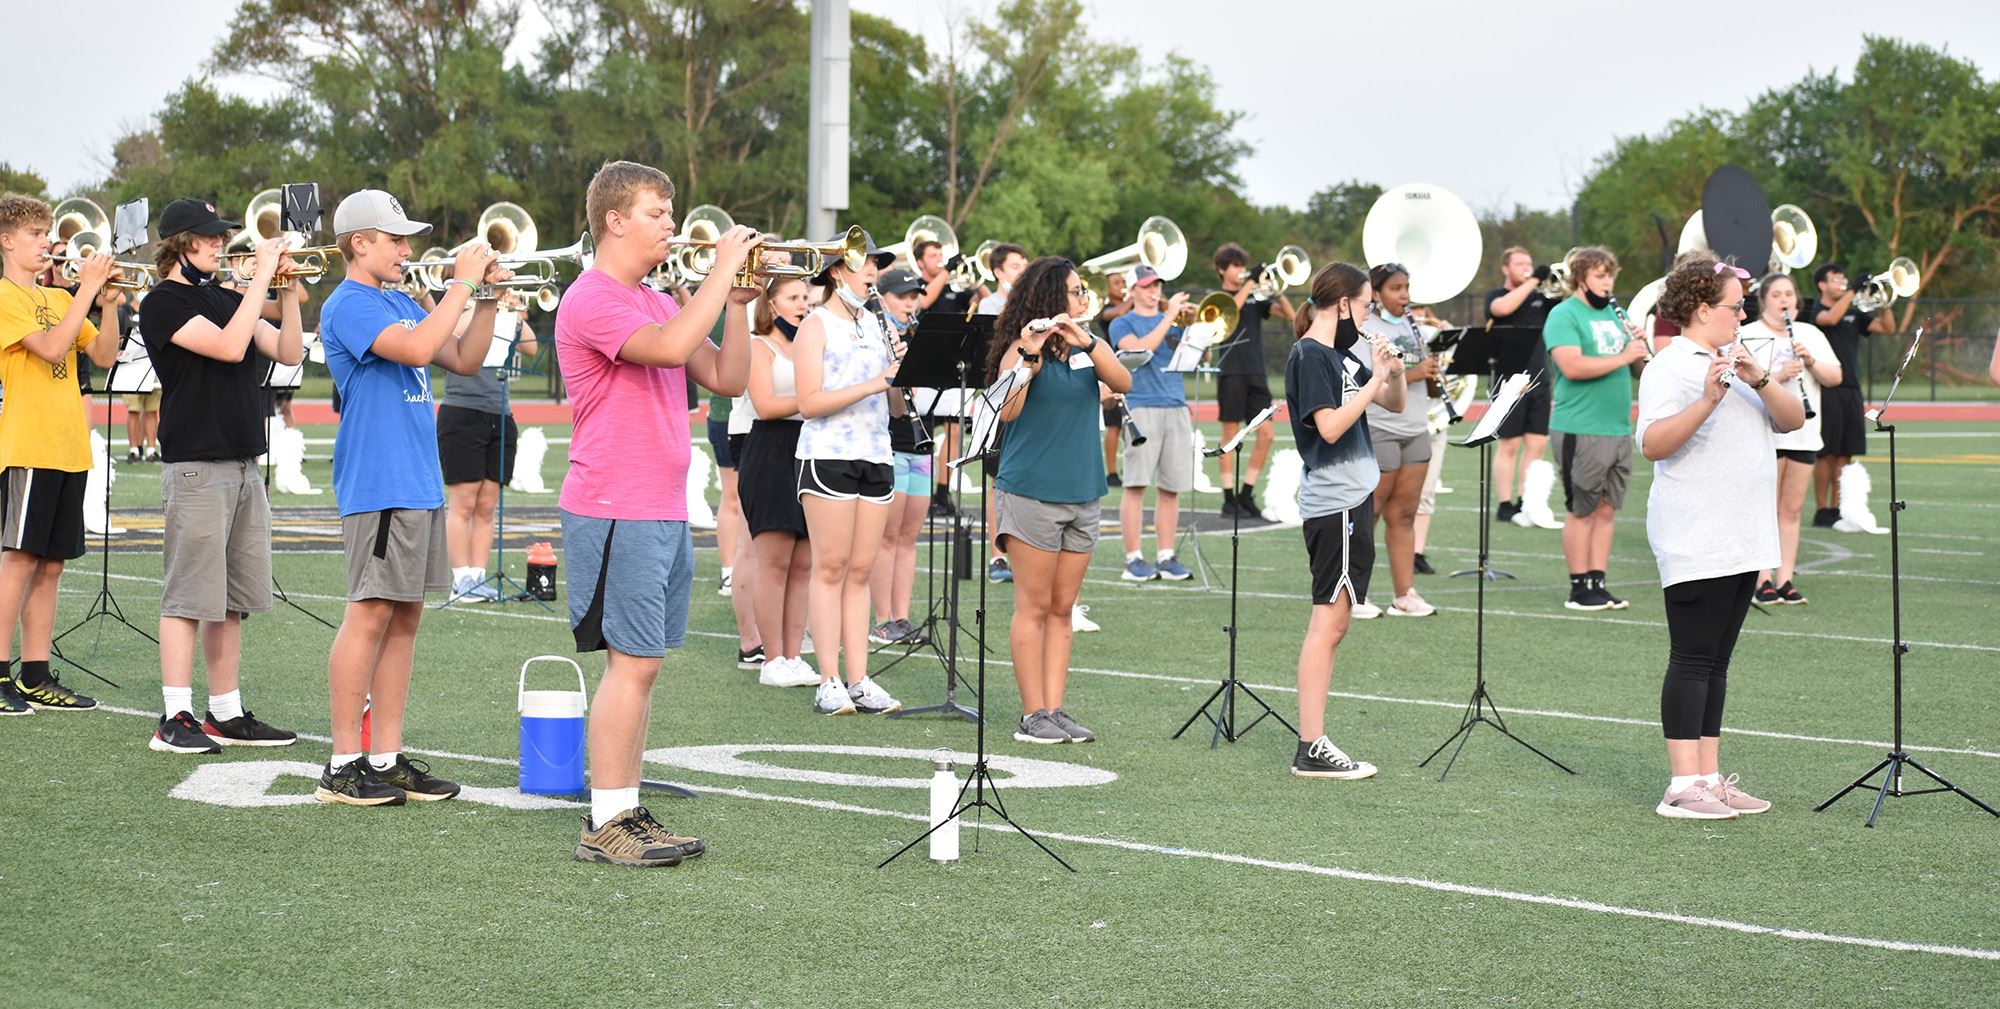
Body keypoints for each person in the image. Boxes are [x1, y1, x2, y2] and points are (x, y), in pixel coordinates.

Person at [556, 161, 760, 865]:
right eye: (656, 213)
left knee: (643, 664)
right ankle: (605, 817)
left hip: (660, 506)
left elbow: (728, 378)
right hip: (615, 504)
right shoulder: (592, 298)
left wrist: (737, 304)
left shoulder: (655, 299)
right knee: (631, 664)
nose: (671, 226)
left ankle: (626, 805)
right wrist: (718, 276)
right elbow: (673, 350)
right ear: (614, 221)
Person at [317, 189, 503, 807]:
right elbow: (420, 349)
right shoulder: (349, 303)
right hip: (379, 479)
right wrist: (460, 286)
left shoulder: (400, 297)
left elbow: (465, 360)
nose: (407, 248)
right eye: (395, 239)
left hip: (418, 478)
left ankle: (386, 756)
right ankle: (344, 762)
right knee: (369, 612)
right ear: (359, 243)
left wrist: (488, 301)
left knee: (405, 617)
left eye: (406, 239)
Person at [1637, 255, 1803, 819]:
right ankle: (1681, 786)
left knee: (1717, 662)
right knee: (1691, 657)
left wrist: (1758, 378)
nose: (1744, 315)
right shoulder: (1671, 365)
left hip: (1742, 531)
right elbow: (1654, 443)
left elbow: (1793, 420)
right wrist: (1708, 399)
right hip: (1695, 531)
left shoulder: (1738, 357)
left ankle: (1708, 776)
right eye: (1736, 307)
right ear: (1704, 310)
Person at [138, 198, 306, 753]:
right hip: (196, 463)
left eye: (221, 236)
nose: (220, 244)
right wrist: (259, 276)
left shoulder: (224, 294)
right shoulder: (162, 302)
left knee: (231, 599)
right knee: (189, 595)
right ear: (178, 243)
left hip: (242, 461)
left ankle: (225, 712)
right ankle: (174, 716)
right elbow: (231, 346)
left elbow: (286, 349)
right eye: (209, 237)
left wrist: (285, 288)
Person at [985, 257, 1132, 744]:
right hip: (1031, 491)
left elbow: (1124, 382)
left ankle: (1054, 706)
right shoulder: (1019, 351)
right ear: (1051, 298)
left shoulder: (1085, 350)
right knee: (1033, 606)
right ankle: (1032, 715)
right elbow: (1007, 412)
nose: (1081, 298)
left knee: (1063, 608)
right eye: (1074, 291)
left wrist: (1086, 337)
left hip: (1083, 490)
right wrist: (1028, 354)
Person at [0, 194, 123, 716]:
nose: (48, 243)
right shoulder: (6, 296)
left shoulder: (57, 298)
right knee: (19, 561)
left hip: (69, 447)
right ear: (7, 241)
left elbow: (103, 354)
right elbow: (51, 349)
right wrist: (87, 290)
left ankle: (35, 673)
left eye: (48, 233)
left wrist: (109, 304)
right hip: (28, 444)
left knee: (50, 567)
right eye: (35, 235)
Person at [1284, 262, 1403, 779]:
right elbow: (1330, 428)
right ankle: (1311, 744)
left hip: (1351, 499)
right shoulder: (1311, 355)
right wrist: (1372, 379)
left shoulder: (1339, 353)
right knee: (1327, 623)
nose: (1371, 313)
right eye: (1368, 303)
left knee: (1334, 623)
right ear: (1343, 305)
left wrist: (1389, 372)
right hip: (1335, 502)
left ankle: (1314, 740)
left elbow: (1393, 405)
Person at [794, 234, 904, 716]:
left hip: (877, 452)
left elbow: (896, 406)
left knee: (861, 571)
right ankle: (829, 679)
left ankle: (859, 678)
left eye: (877, 265)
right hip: (828, 454)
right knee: (831, 567)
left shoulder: (881, 325)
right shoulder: (815, 325)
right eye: (865, 264)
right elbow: (809, 403)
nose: (873, 272)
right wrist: (875, 382)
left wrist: (903, 372)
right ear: (838, 271)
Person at [1544, 246, 1649, 612]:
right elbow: (1571, 367)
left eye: (1610, 275)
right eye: (1600, 275)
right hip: (1580, 426)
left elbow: (1637, 369)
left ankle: (1597, 581)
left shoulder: (1614, 316)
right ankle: (1578, 587)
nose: (1607, 283)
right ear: (1580, 277)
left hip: (1617, 427)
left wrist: (1639, 348)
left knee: (1607, 509)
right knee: (1582, 509)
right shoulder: (1564, 315)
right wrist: (1623, 355)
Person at [1741, 273, 1840, 605]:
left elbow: (1835, 377)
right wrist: (1776, 376)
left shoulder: (1809, 334)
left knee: (1792, 509)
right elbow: (1739, 382)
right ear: (1764, 300)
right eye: (1777, 294)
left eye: (1790, 295)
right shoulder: (1749, 334)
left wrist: (1810, 361)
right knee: (1763, 508)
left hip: (1805, 434)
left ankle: (1785, 578)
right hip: (1766, 430)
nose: (1785, 300)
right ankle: (1761, 580)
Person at [741, 277, 820, 689]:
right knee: (774, 563)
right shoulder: (759, 345)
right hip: (771, 452)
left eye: (805, 298)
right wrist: (814, 400)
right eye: (793, 298)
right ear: (770, 304)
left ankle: (793, 655)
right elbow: (767, 405)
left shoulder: (807, 344)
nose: (802, 305)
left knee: (804, 564)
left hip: (809, 450)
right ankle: (771, 658)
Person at [438, 288, 538, 603]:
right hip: (462, 413)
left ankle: (479, 576)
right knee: (463, 503)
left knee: (486, 505)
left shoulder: (502, 315)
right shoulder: (457, 306)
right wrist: (487, 305)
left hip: (500, 413)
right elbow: (452, 331)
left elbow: (532, 347)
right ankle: (460, 578)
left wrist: (511, 312)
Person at [1360, 263, 1438, 617]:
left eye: (1406, 287)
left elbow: (1423, 379)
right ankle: (1354, 593)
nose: (1404, 295)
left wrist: (1433, 374)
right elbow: (1368, 379)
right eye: (1395, 288)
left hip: (1416, 425)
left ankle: (1405, 594)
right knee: (1369, 512)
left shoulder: (1413, 325)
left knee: (1404, 513)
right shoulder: (1365, 328)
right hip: (1381, 425)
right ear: (1376, 293)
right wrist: (1415, 372)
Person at [1109, 266, 1194, 582]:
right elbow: (1139, 350)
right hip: (1142, 405)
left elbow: (1200, 355)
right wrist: (1170, 316)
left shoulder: (1170, 320)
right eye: (1146, 286)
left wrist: (1198, 330)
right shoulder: (1122, 322)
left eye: (1157, 285)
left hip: (1176, 404)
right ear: (1132, 290)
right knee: (1136, 484)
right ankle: (1133, 558)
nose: (1153, 291)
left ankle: (1166, 555)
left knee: (1171, 487)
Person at [868, 268, 933, 646]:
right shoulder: (880, 333)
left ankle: (902, 615)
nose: (911, 303)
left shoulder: (919, 334)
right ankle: (882, 618)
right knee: (887, 536)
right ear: (885, 297)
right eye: (904, 296)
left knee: (909, 536)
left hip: (920, 443)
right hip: (890, 442)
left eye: (915, 296)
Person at [1802, 263, 1894, 527]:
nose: (1841, 282)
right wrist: (1853, 289)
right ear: (1822, 285)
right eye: (1835, 279)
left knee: (1846, 453)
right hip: (1827, 388)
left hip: (1852, 389)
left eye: (1844, 278)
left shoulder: (1854, 313)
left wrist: (1882, 300)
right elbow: (1830, 319)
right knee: (1827, 453)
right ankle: (1822, 510)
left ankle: (1840, 508)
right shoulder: (1817, 310)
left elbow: (1886, 327)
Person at [1211, 243, 1294, 519]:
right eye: (1234, 265)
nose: (1239, 270)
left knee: (1267, 434)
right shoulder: (1220, 297)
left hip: (1256, 373)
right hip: (1231, 371)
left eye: (1241, 265)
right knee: (1230, 436)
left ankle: (1246, 493)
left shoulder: (1255, 297)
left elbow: (1292, 317)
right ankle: (1227, 498)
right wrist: (1248, 283)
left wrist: (1276, 290)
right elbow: (1231, 310)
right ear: (1222, 269)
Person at [1483, 247, 1559, 528]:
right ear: (1506, 268)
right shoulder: (1497, 296)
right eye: (1520, 264)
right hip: (1508, 380)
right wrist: (1533, 280)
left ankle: (1526, 501)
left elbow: (1563, 307)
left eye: (1529, 263)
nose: (1526, 267)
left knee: (1536, 443)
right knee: (1510, 444)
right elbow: (1502, 309)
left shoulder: (1541, 299)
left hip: (1540, 376)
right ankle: (1504, 504)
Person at [979, 242, 1029, 583]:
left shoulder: (1031, 304)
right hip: (999, 400)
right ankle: (997, 556)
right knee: (997, 481)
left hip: (1028, 400)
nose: (1021, 270)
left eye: (1024, 264)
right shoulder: (991, 304)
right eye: (1014, 266)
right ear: (998, 272)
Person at [1097, 270, 1133, 487]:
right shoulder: (1106, 309)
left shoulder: (1131, 306)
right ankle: (1111, 472)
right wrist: (1133, 297)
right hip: (1113, 372)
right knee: (1114, 426)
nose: (1122, 285)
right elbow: (1116, 314)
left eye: (1124, 281)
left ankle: (1130, 468)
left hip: (1134, 371)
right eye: (1117, 282)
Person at [975, 243, 1027, 317]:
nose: (1023, 271)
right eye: (1015, 267)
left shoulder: (1031, 299)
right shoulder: (988, 304)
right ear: (998, 273)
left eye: (1025, 266)